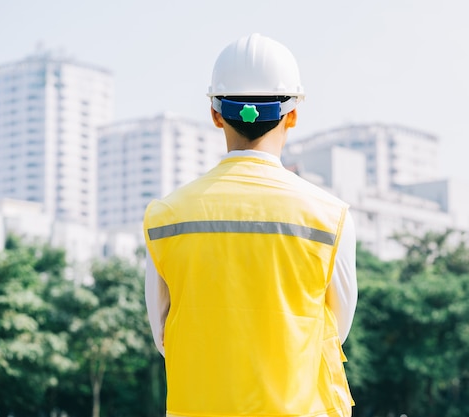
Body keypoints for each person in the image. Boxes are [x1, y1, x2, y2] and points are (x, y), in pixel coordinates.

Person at [143, 33, 357, 417]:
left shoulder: (165, 216)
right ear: (292, 114)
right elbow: (334, 331)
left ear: (215, 113)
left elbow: (163, 335)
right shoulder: (329, 216)